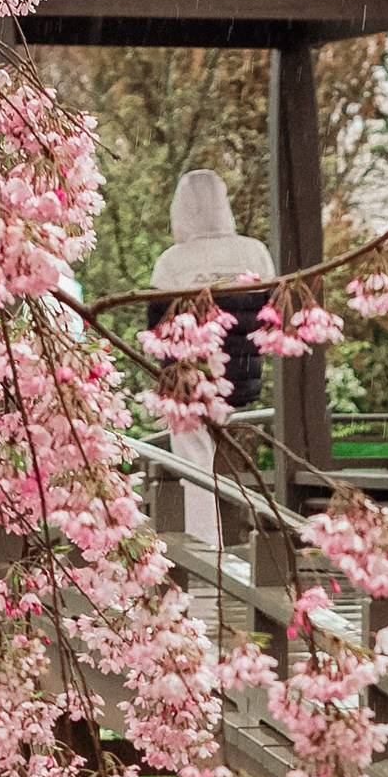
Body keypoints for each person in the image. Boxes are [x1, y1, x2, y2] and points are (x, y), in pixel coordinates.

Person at [147, 171, 275, 550]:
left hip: (190, 380)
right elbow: (270, 314)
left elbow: (158, 330)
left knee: (194, 464)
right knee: (233, 461)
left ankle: (206, 545)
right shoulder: (255, 253)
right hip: (242, 378)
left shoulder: (172, 262)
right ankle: (260, 537)